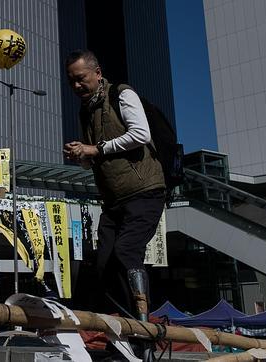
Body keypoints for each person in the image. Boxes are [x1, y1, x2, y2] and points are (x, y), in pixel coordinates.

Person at [64, 50, 165, 359]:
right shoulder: (85, 111)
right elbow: (93, 160)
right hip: (113, 199)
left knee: (126, 252)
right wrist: (81, 155)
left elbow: (141, 134)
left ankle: (143, 328)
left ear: (97, 73)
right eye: (72, 81)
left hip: (145, 191)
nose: (77, 86)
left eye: (81, 79)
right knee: (103, 263)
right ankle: (125, 329)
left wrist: (97, 149)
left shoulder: (122, 94)